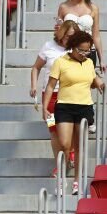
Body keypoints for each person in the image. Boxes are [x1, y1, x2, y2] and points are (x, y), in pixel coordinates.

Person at [43, 31, 105, 195]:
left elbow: (92, 81)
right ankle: (62, 178)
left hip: (84, 106)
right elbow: (50, 86)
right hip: (64, 106)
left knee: (79, 146)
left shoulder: (89, 63)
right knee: (64, 143)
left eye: (88, 51)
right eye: (82, 51)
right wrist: (44, 107)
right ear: (73, 47)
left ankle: (77, 180)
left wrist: (98, 82)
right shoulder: (61, 61)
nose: (85, 54)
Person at [30, 20, 80, 170]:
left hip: (69, 95)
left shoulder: (77, 49)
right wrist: (33, 86)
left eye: (72, 36)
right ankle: (59, 163)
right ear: (61, 33)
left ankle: (70, 152)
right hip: (50, 96)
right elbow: (36, 67)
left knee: (68, 128)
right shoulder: (48, 46)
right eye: (66, 35)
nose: (68, 39)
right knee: (53, 130)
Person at [56, 0, 105, 73]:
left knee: (86, 83)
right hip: (69, 50)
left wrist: (101, 59)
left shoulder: (93, 8)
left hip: (88, 51)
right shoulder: (63, 7)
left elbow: (96, 36)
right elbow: (59, 33)